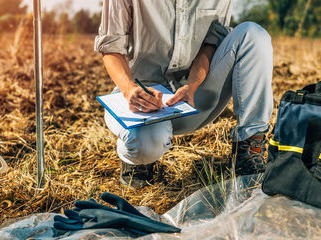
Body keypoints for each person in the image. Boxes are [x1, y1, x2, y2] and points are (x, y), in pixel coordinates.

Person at [94, 0, 273, 188]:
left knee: (253, 35)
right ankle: (138, 163)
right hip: (140, 97)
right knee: (143, 146)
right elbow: (111, 48)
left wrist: (192, 84)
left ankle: (249, 150)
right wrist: (129, 89)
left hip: (193, 96)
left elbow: (210, 44)